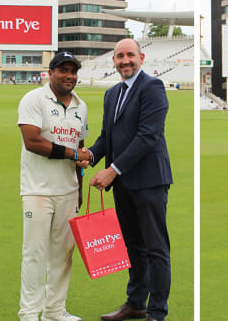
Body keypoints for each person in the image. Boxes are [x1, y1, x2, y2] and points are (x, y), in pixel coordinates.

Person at [86, 38, 172, 321]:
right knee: (133, 246)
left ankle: (157, 312)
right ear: (113, 60)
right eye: (120, 56)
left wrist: (112, 170)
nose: (125, 61)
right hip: (122, 185)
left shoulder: (153, 87)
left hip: (148, 181)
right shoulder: (111, 93)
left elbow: (148, 136)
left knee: (155, 248)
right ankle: (136, 302)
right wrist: (88, 155)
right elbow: (106, 138)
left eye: (130, 55)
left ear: (142, 57)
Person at [17, 51, 91, 321]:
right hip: (37, 191)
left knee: (64, 254)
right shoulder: (34, 99)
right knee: (34, 253)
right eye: (63, 70)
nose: (69, 76)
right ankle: (29, 313)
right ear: (51, 73)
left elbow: (80, 147)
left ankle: (54, 311)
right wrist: (73, 155)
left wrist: (79, 189)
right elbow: (32, 142)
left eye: (73, 71)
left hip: (68, 191)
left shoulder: (81, 106)